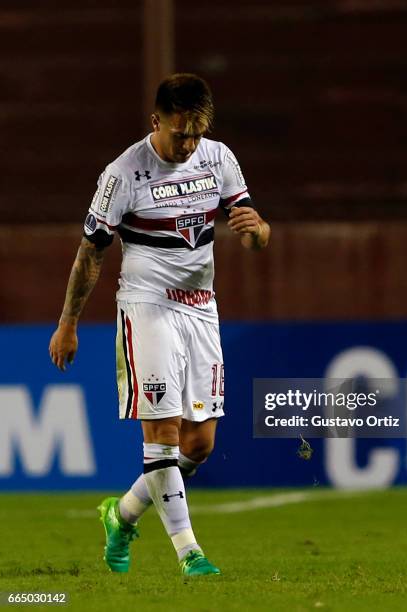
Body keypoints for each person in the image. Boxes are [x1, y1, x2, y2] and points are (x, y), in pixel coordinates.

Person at [49, 73, 270, 577]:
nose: (187, 143)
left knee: (199, 445)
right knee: (163, 433)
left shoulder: (219, 159)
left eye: (196, 133)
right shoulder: (123, 174)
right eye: (179, 133)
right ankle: (190, 554)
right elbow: (91, 254)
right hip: (146, 306)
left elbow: (256, 234)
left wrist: (257, 232)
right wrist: (69, 323)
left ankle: (121, 517)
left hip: (201, 308)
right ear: (156, 121)